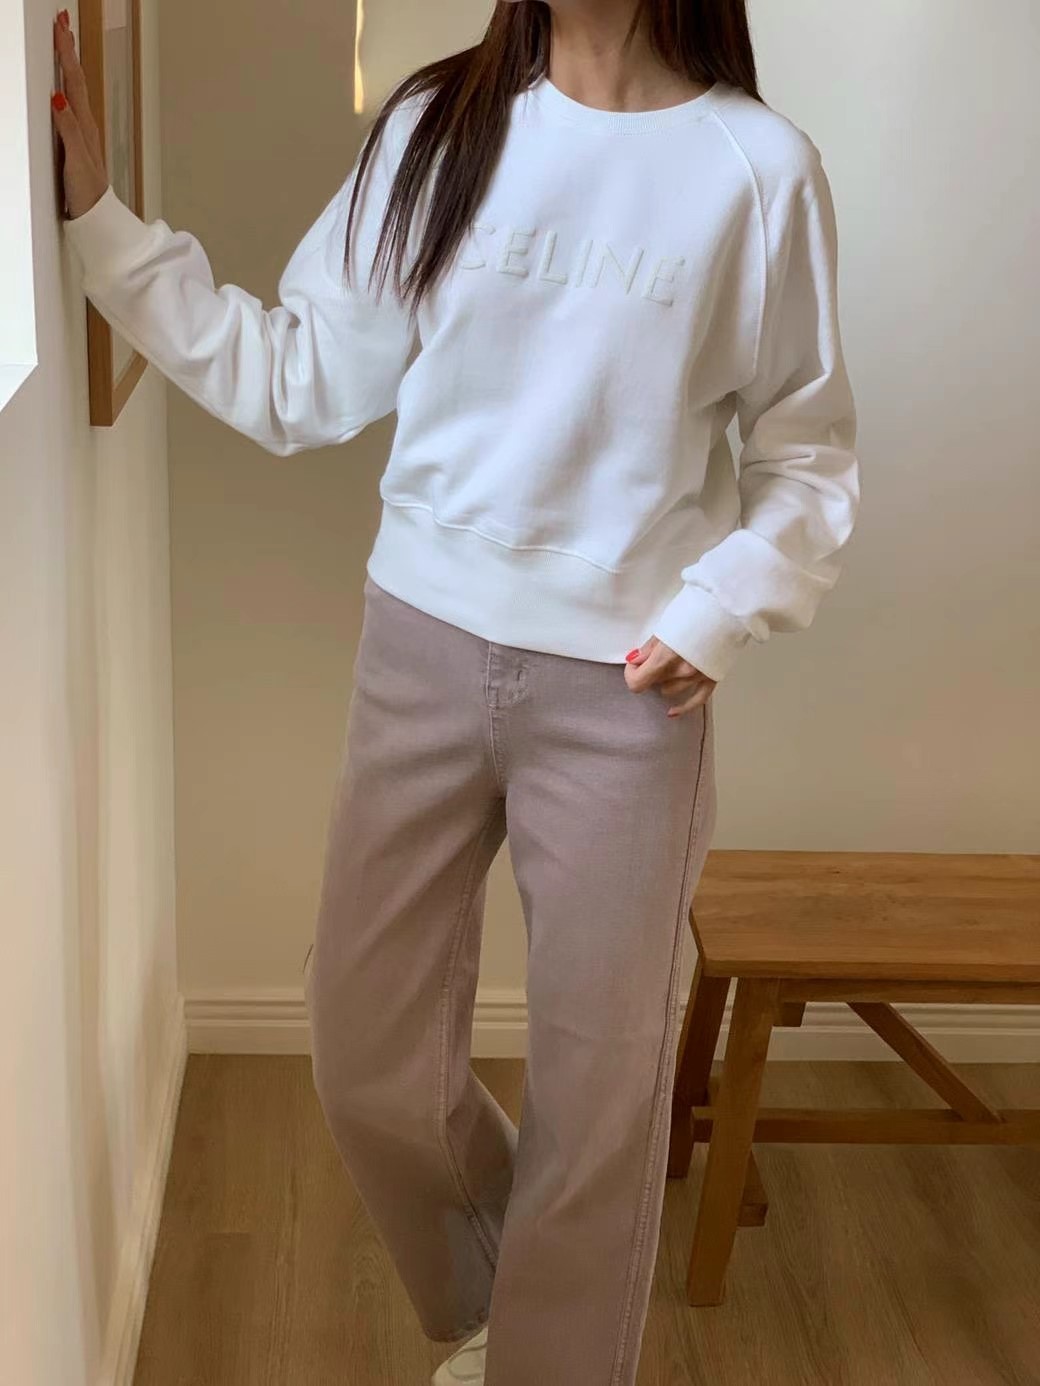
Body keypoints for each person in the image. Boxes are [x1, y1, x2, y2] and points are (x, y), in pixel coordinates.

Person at [51, 2, 859, 1382]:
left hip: (627, 700)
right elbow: (299, 379)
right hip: (418, 650)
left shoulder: (759, 170)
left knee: (598, 1101)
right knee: (366, 1048)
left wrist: (717, 610)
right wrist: (99, 227)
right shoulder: (441, 128)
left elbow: (808, 458)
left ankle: (546, 1357)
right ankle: (518, 1312)